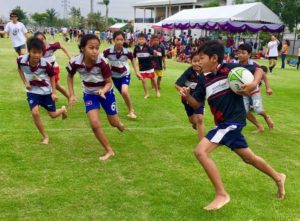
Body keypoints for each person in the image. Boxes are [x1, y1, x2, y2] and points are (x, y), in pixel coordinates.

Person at [180, 40, 286, 211]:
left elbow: (260, 69)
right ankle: (278, 177)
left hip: (233, 122)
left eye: (202, 58)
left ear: (214, 58)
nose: (199, 62)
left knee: (200, 151)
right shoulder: (203, 79)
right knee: (249, 158)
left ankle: (222, 194)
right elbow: (195, 104)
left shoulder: (230, 69)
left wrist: (253, 83)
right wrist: (186, 96)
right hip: (223, 124)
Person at [67, 34, 125, 161]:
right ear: (82, 48)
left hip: (106, 93)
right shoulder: (75, 62)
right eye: (91, 48)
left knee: (113, 122)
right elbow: (69, 76)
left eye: (97, 48)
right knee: (94, 123)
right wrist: (71, 94)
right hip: (89, 94)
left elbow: (109, 82)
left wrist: (103, 91)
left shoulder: (102, 61)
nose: (95, 51)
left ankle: (118, 123)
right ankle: (109, 150)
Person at [17, 37, 67, 144]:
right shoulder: (21, 60)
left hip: (46, 92)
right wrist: (25, 82)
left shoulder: (46, 64)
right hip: (32, 92)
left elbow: (53, 77)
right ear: (29, 51)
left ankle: (62, 110)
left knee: (53, 115)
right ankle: (45, 136)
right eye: (34, 52)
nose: (37, 55)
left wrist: (54, 92)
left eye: (39, 52)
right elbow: (19, 68)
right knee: (35, 113)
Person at [103, 30, 141, 119]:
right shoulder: (107, 51)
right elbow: (102, 61)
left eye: (121, 39)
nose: (119, 41)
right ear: (113, 40)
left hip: (125, 74)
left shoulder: (127, 52)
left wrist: (137, 72)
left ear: (124, 40)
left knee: (124, 91)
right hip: (114, 77)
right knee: (123, 94)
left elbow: (133, 60)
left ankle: (131, 111)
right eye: (117, 39)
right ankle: (128, 110)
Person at [237, 43, 274, 132]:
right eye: (238, 52)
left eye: (243, 53)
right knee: (244, 111)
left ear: (249, 54)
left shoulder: (254, 64)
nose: (240, 55)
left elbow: (263, 75)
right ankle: (259, 126)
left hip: (254, 92)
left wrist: (268, 88)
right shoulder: (235, 64)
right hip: (243, 93)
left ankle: (266, 116)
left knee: (258, 110)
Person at [175, 52, 205, 140]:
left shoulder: (206, 73)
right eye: (194, 61)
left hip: (199, 99)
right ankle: (195, 124)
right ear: (191, 61)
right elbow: (177, 84)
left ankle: (202, 143)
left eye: (199, 61)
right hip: (187, 99)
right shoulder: (189, 71)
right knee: (193, 121)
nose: (196, 63)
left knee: (200, 119)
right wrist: (182, 90)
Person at [34, 31, 72, 100]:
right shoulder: (35, 49)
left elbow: (62, 46)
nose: (41, 41)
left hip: (54, 68)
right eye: (39, 40)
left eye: (42, 39)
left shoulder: (50, 46)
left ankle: (68, 97)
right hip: (44, 70)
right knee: (49, 85)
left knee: (56, 85)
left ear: (45, 39)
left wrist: (70, 58)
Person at [133, 33, 160, 99]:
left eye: (142, 39)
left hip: (149, 67)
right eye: (140, 39)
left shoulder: (148, 47)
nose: (141, 40)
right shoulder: (136, 48)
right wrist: (134, 62)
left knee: (153, 79)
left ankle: (157, 91)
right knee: (143, 81)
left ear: (145, 40)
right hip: (142, 68)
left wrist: (155, 53)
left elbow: (154, 53)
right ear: (137, 40)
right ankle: (147, 94)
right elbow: (134, 57)